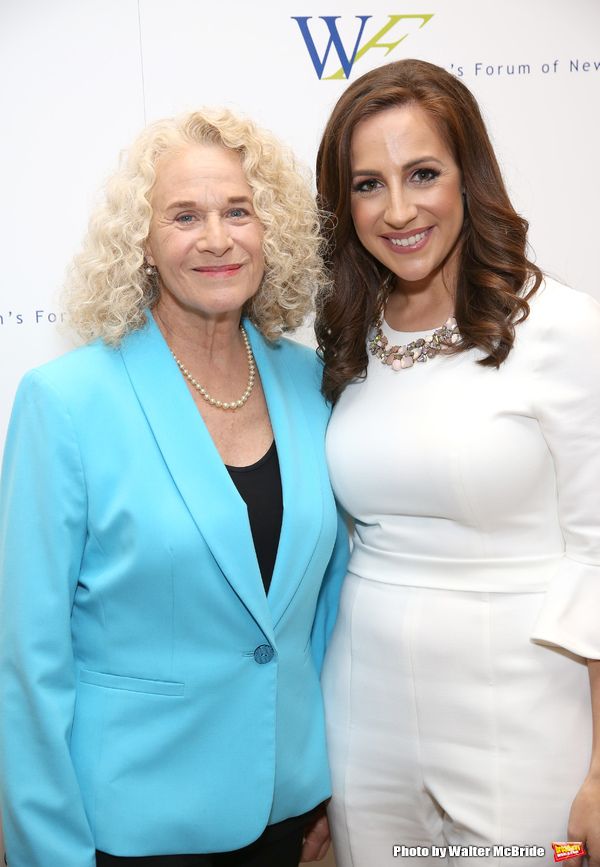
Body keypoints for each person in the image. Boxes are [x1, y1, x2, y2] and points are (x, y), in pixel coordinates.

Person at [0, 108, 348, 867]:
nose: (217, 238)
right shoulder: (66, 402)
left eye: (238, 211)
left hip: (287, 810)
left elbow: (323, 612)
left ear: (271, 231)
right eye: (184, 215)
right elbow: (27, 659)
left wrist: (328, 785)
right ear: (145, 245)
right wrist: (46, 850)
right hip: (129, 826)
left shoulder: (311, 384)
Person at [315, 58, 600, 866]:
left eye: (423, 173)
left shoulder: (563, 328)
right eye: (368, 184)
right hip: (363, 715)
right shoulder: (348, 335)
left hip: (526, 711)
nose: (398, 209)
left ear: (468, 177)